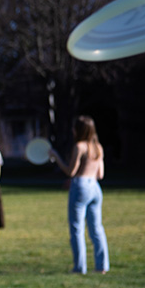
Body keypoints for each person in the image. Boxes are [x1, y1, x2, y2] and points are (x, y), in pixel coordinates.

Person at [49, 116, 109, 274]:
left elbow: (71, 171)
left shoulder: (79, 147)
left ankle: (79, 267)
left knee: (77, 229)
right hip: (95, 187)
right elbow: (100, 174)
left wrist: (56, 157)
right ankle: (102, 266)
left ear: (79, 130)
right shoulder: (98, 147)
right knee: (96, 228)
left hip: (81, 186)